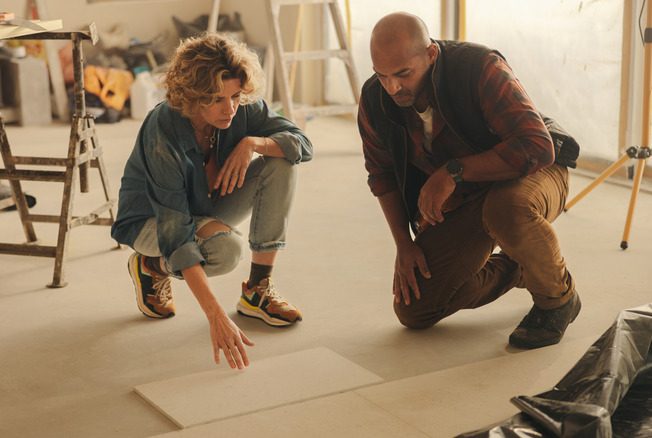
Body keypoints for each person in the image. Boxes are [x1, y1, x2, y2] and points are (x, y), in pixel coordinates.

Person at [358, 12, 581, 349]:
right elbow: (381, 175)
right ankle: (521, 267)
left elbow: (537, 146)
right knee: (414, 308)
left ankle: (557, 300)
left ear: (430, 55)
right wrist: (404, 244)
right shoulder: (376, 100)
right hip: (470, 191)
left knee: (506, 208)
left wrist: (452, 172)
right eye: (382, 75)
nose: (393, 87)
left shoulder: (478, 67)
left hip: (535, 170)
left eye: (403, 74)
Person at [111, 33, 313, 369]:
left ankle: (257, 291)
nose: (229, 108)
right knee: (226, 251)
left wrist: (253, 143)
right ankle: (150, 265)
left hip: (207, 206)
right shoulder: (163, 129)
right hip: (152, 220)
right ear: (192, 95)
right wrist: (215, 315)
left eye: (235, 96)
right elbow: (175, 231)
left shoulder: (242, 109)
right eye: (216, 99)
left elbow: (302, 143)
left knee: (280, 158)